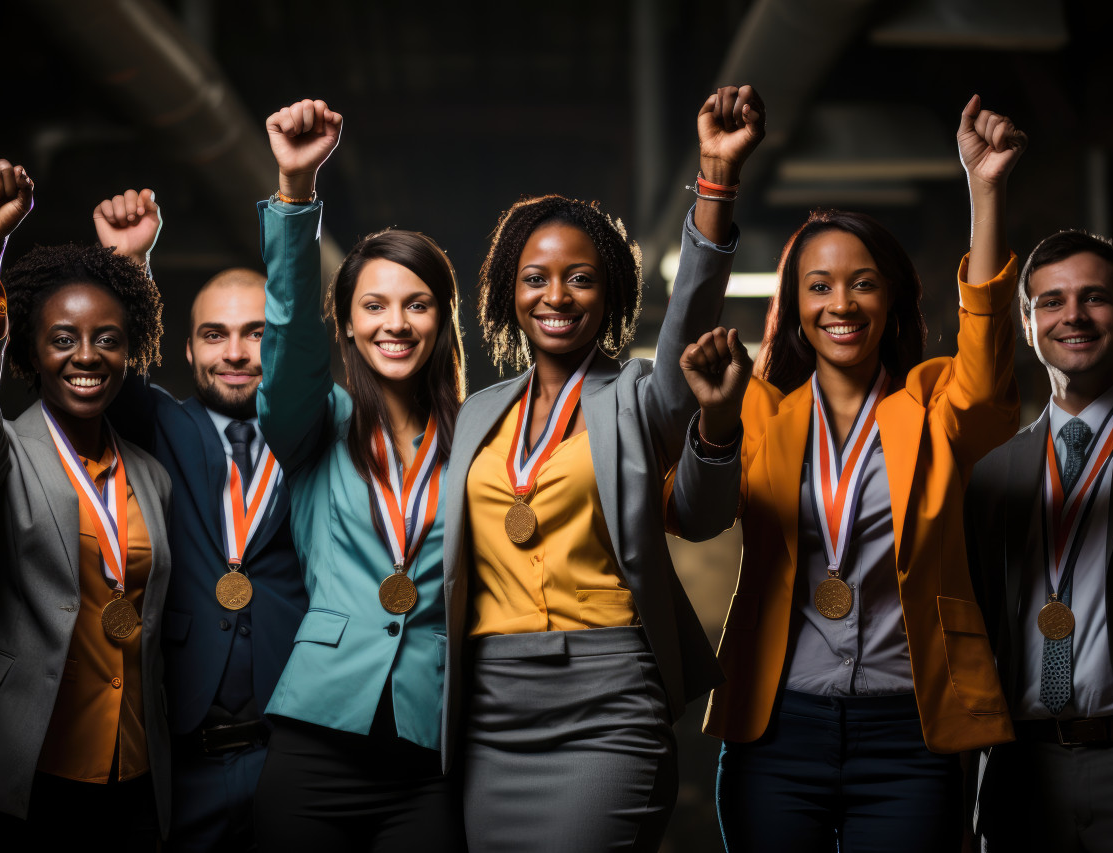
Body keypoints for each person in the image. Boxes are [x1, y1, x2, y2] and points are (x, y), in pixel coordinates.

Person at [688, 95, 1027, 852]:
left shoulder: (936, 404)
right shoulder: (757, 413)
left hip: (910, 728)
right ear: (795, 307)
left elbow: (988, 367)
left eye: (862, 282)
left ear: (893, 298)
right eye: (818, 286)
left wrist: (986, 189)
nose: (841, 303)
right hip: (778, 726)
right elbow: (690, 507)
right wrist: (716, 184)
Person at [442, 85, 763, 853]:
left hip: (609, 697)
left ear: (610, 290)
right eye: (535, 277)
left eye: (581, 277)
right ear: (508, 293)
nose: (557, 295)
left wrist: (714, 180)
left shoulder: (636, 397)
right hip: (489, 708)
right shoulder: (476, 414)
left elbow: (688, 315)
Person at [0, 159, 172, 850]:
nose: (86, 355)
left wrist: (134, 263)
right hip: (26, 772)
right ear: (31, 348)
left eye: (107, 338)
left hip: (135, 774)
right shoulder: (2, 456)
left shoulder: (150, 474)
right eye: (63, 338)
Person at [249, 99, 466, 850]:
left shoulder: (479, 439)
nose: (394, 323)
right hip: (317, 733)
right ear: (344, 321)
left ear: (442, 320)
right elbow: (286, 332)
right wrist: (296, 192)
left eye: (416, 305)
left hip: (432, 744)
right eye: (372, 305)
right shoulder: (315, 423)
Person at [94, 190, 306, 852]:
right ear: (187, 351)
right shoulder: (161, 425)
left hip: (295, 751)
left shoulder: (316, 433)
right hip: (185, 758)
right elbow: (121, 381)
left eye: (256, 333)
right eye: (216, 334)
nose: (236, 352)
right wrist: (129, 261)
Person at [967, 230, 1113, 851]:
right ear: (1028, 327)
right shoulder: (993, 473)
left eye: (1094, 298)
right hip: (1021, 777)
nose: (1073, 315)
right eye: (1050, 302)